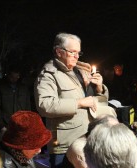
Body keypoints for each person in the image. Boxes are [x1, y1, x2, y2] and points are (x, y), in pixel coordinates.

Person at [34, 32, 109, 167]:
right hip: (65, 144)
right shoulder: (49, 74)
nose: (76, 56)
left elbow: (98, 102)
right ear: (59, 52)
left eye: (78, 53)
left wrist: (99, 88)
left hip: (88, 138)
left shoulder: (80, 71)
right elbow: (44, 105)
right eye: (73, 52)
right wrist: (79, 103)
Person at [0, 66, 31, 146]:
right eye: (12, 77)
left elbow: (28, 107)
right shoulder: (0, 88)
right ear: (8, 76)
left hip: (21, 126)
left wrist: (27, 124)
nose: (15, 79)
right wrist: (1, 126)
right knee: (6, 151)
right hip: (6, 126)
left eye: (17, 77)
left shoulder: (24, 89)